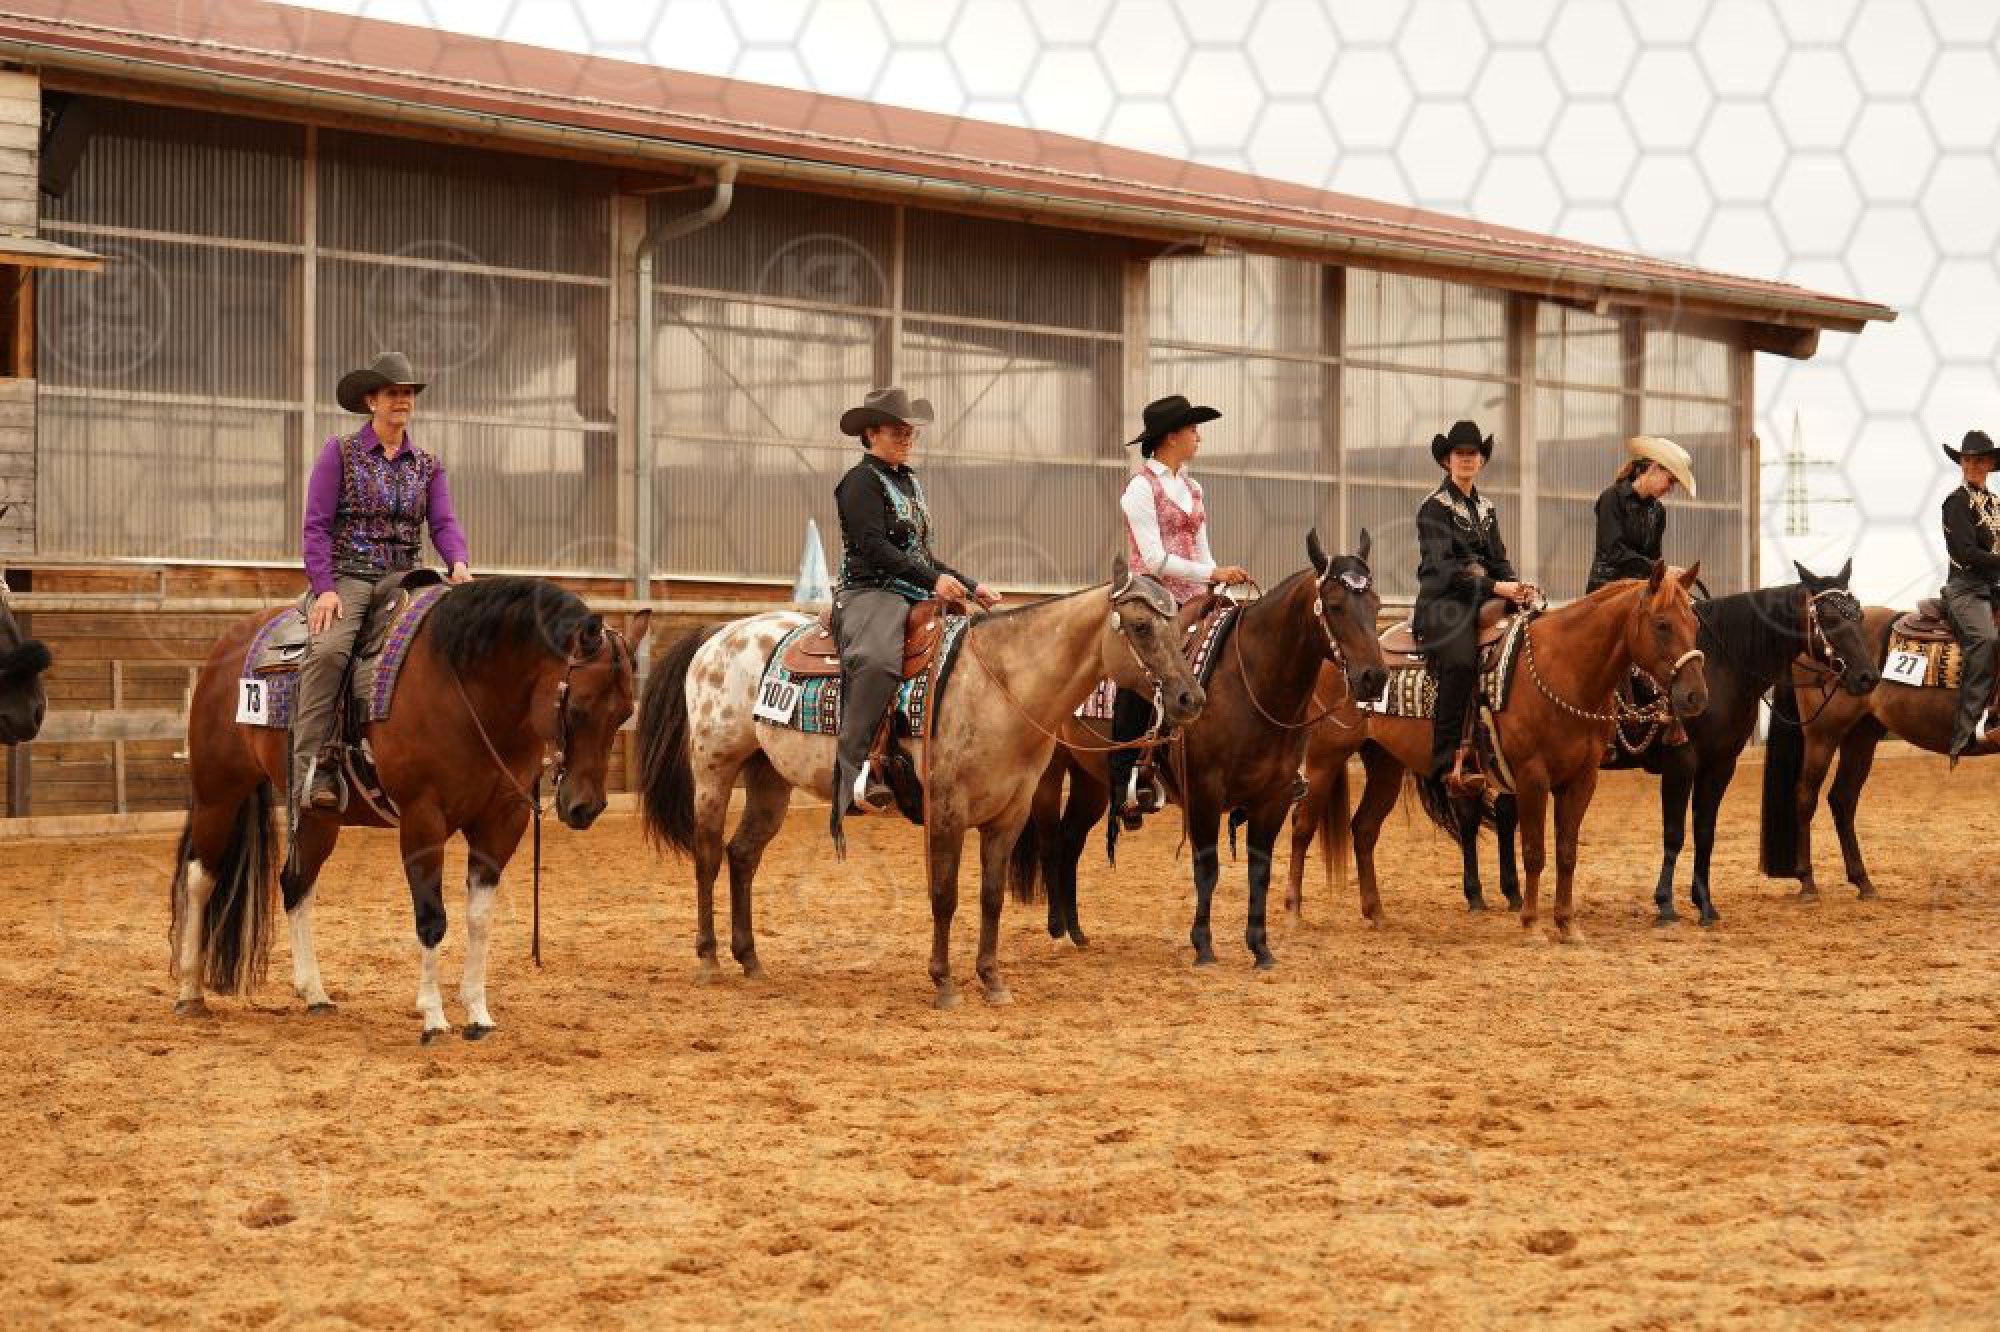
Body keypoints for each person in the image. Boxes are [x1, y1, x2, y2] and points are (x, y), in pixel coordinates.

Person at [294, 352, 471, 810]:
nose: (402, 401)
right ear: (371, 401)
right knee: (329, 652)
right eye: (393, 393)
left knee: (457, 641)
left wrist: (458, 562)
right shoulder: (339, 453)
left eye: (408, 393)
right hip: (350, 574)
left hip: (408, 576)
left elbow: (443, 523)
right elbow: (315, 526)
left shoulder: (427, 465)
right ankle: (314, 769)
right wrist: (325, 588)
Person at [830, 387, 999, 842]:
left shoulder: (908, 482)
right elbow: (873, 547)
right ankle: (855, 774)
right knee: (878, 663)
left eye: (910, 432)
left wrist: (970, 585)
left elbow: (923, 555)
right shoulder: (859, 482)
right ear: (871, 434)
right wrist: (931, 580)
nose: (906, 439)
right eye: (897, 431)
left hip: (912, 590)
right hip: (871, 591)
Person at [1107, 394, 1250, 826]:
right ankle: (1125, 778)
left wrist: (1216, 582)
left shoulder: (1193, 488)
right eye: (1192, 429)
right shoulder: (1139, 489)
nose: (1198, 437)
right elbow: (1153, 559)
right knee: (1143, 667)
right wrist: (1212, 571)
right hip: (1151, 594)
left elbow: (1202, 549)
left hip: (1194, 592)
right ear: (1171, 437)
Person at [1413, 419, 1536, 798]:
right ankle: (1444, 762)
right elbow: (1443, 569)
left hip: (1483, 598)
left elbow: (1498, 559)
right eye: (1459, 454)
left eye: (1473, 454)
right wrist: (1495, 587)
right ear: (1447, 461)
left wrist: (1516, 587)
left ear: (1481, 461)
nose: (1467, 459)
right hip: (1443, 605)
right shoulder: (1433, 508)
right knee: (1462, 662)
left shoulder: (1486, 508)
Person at [1940, 429, 2000, 763]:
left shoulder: (1995, 504)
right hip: (1965, 589)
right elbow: (1965, 553)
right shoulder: (1956, 503)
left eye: (1980, 461)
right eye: (1967, 460)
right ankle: (1967, 729)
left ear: (1990, 464)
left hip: (1992, 589)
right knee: (1985, 640)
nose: (1972, 466)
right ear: (1961, 463)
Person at [1586, 435, 1696, 593]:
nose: (1670, 489)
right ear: (1654, 468)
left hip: (1637, 594)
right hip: (1605, 595)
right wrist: (1662, 569)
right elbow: (1614, 552)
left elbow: (1653, 557)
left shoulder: (1658, 511)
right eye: (1670, 480)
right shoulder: (1612, 498)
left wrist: (1665, 573)